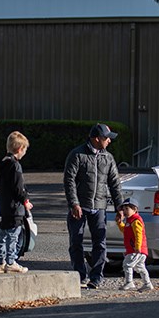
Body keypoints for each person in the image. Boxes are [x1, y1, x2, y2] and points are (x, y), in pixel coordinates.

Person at [63, 122, 123, 289]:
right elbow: (69, 181)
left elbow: (115, 184)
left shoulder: (108, 158)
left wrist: (120, 207)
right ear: (97, 139)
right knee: (76, 242)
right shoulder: (77, 155)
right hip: (79, 207)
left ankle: (96, 277)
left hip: (99, 206)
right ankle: (80, 275)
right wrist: (74, 203)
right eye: (107, 138)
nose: (109, 141)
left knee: (100, 243)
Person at [0, 131, 33, 274]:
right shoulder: (15, 166)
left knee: (2, 233)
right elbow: (18, 188)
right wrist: (25, 201)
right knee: (14, 235)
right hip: (15, 208)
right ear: (20, 149)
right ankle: (11, 262)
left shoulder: (2, 163)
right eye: (25, 150)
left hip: (4, 205)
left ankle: (0, 262)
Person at [115, 197, 153, 291]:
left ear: (135, 209)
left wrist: (137, 246)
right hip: (135, 249)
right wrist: (120, 223)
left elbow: (138, 234)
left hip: (136, 249)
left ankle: (129, 282)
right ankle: (147, 284)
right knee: (140, 266)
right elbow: (125, 231)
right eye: (123, 209)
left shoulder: (136, 221)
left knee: (127, 264)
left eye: (127, 209)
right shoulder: (129, 221)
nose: (124, 211)